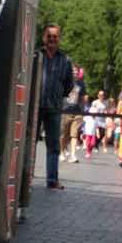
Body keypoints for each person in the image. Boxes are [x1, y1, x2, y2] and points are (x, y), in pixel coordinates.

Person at [36, 25, 76, 190]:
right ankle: (24, 178)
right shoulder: (35, 56)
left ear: (59, 39)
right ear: (44, 37)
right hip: (34, 107)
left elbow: (69, 84)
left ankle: (52, 180)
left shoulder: (65, 60)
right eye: (49, 36)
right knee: (29, 144)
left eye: (55, 36)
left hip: (54, 108)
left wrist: (58, 94)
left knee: (53, 146)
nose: (52, 39)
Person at [83, 90, 108, 157]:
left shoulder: (106, 102)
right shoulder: (95, 102)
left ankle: (96, 144)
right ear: (98, 95)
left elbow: (106, 109)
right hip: (95, 119)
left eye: (102, 95)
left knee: (102, 133)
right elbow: (92, 110)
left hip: (102, 120)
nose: (101, 96)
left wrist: (106, 112)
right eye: (100, 95)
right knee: (94, 134)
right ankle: (93, 146)